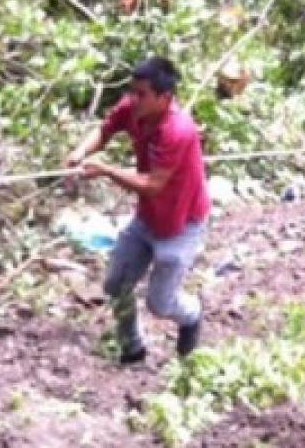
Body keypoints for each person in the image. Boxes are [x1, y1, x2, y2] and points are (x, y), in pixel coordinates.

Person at [66, 58, 209, 363]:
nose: (134, 100)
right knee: (116, 284)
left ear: (165, 98)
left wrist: (105, 169)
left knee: (160, 303)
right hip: (147, 218)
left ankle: (192, 315)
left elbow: (154, 184)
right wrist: (80, 153)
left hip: (181, 223)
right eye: (133, 92)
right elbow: (104, 131)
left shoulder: (178, 131)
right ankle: (132, 347)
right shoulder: (132, 108)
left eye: (142, 94)